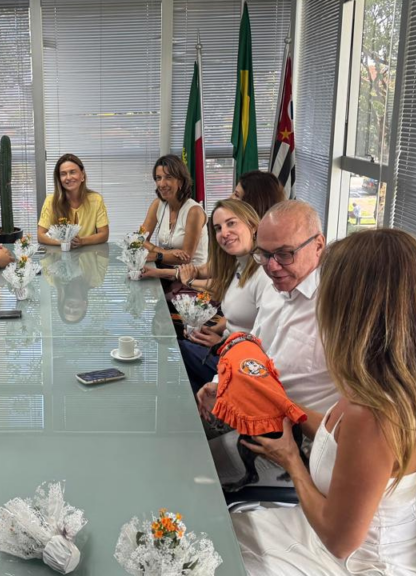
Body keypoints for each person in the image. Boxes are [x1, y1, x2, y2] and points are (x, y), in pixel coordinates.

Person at [230, 229, 416, 575]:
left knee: (211, 556)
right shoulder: (385, 381)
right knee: (216, 535)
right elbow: (339, 439)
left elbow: (340, 541)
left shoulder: (375, 415)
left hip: (357, 563)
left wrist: (290, 460)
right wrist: (278, 404)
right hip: (325, 540)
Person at [197, 200, 339, 488]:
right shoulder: (276, 292)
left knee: (194, 473)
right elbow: (251, 352)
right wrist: (220, 383)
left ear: (318, 245)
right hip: (253, 422)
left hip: (296, 451)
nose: (272, 266)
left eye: (285, 254)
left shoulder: (336, 309)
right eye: (264, 254)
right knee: (180, 435)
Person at [172, 199, 271, 391]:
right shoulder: (237, 265)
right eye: (218, 228)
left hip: (238, 364)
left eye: (231, 223)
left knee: (174, 351)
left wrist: (221, 343)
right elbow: (238, 320)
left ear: (252, 225)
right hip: (225, 348)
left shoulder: (265, 275)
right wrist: (212, 330)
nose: (224, 233)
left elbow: (264, 342)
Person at [140, 169, 284, 284]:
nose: (229, 198)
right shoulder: (236, 240)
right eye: (158, 178)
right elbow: (212, 271)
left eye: (236, 195)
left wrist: (189, 281)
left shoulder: (266, 261)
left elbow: (222, 286)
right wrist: (159, 272)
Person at [139, 155, 208, 267]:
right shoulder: (157, 204)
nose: (162, 184)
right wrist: (163, 252)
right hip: (166, 269)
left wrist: (156, 256)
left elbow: (185, 258)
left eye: (168, 177)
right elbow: (140, 239)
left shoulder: (194, 211)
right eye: (158, 178)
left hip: (192, 273)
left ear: (180, 181)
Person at [37, 153, 110, 247]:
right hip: (60, 255)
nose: (68, 177)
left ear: (82, 175)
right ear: (59, 179)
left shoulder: (96, 199)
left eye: (72, 172)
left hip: (89, 255)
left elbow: (104, 234)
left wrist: (82, 241)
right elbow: (41, 235)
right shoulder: (50, 201)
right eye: (63, 174)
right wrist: (64, 243)